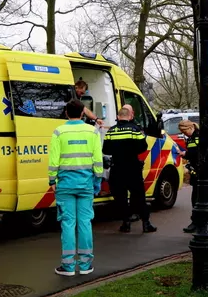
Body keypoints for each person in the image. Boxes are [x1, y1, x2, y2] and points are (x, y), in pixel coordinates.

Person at [49, 99, 104, 276]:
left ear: (66, 113)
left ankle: (68, 266)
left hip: (65, 185)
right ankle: (86, 265)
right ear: (82, 113)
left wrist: (52, 181)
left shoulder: (59, 132)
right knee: (85, 223)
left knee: (68, 223)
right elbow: (98, 159)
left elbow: (53, 160)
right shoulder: (93, 132)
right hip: (86, 184)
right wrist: (97, 181)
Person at [103, 107, 157, 233]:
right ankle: (146, 223)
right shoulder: (134, 129)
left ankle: (125, 223)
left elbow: (105, 150)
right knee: (139, 196)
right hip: (133, 167)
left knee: (120, 197)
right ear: (130, 116)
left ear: (118, 116)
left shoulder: (111, 131)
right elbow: (143, 146)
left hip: (117, 168)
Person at [178, 120, 199, 233]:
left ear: (189, 128)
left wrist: (185, 154)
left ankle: (197, 222)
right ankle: (196, 221)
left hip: (200, 170)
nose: (184, 134)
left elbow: (198, 152)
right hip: (195, 169)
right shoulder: (191, 137)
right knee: (195, 198)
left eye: (184, 131)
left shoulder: (197, 136)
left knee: (197, 198)